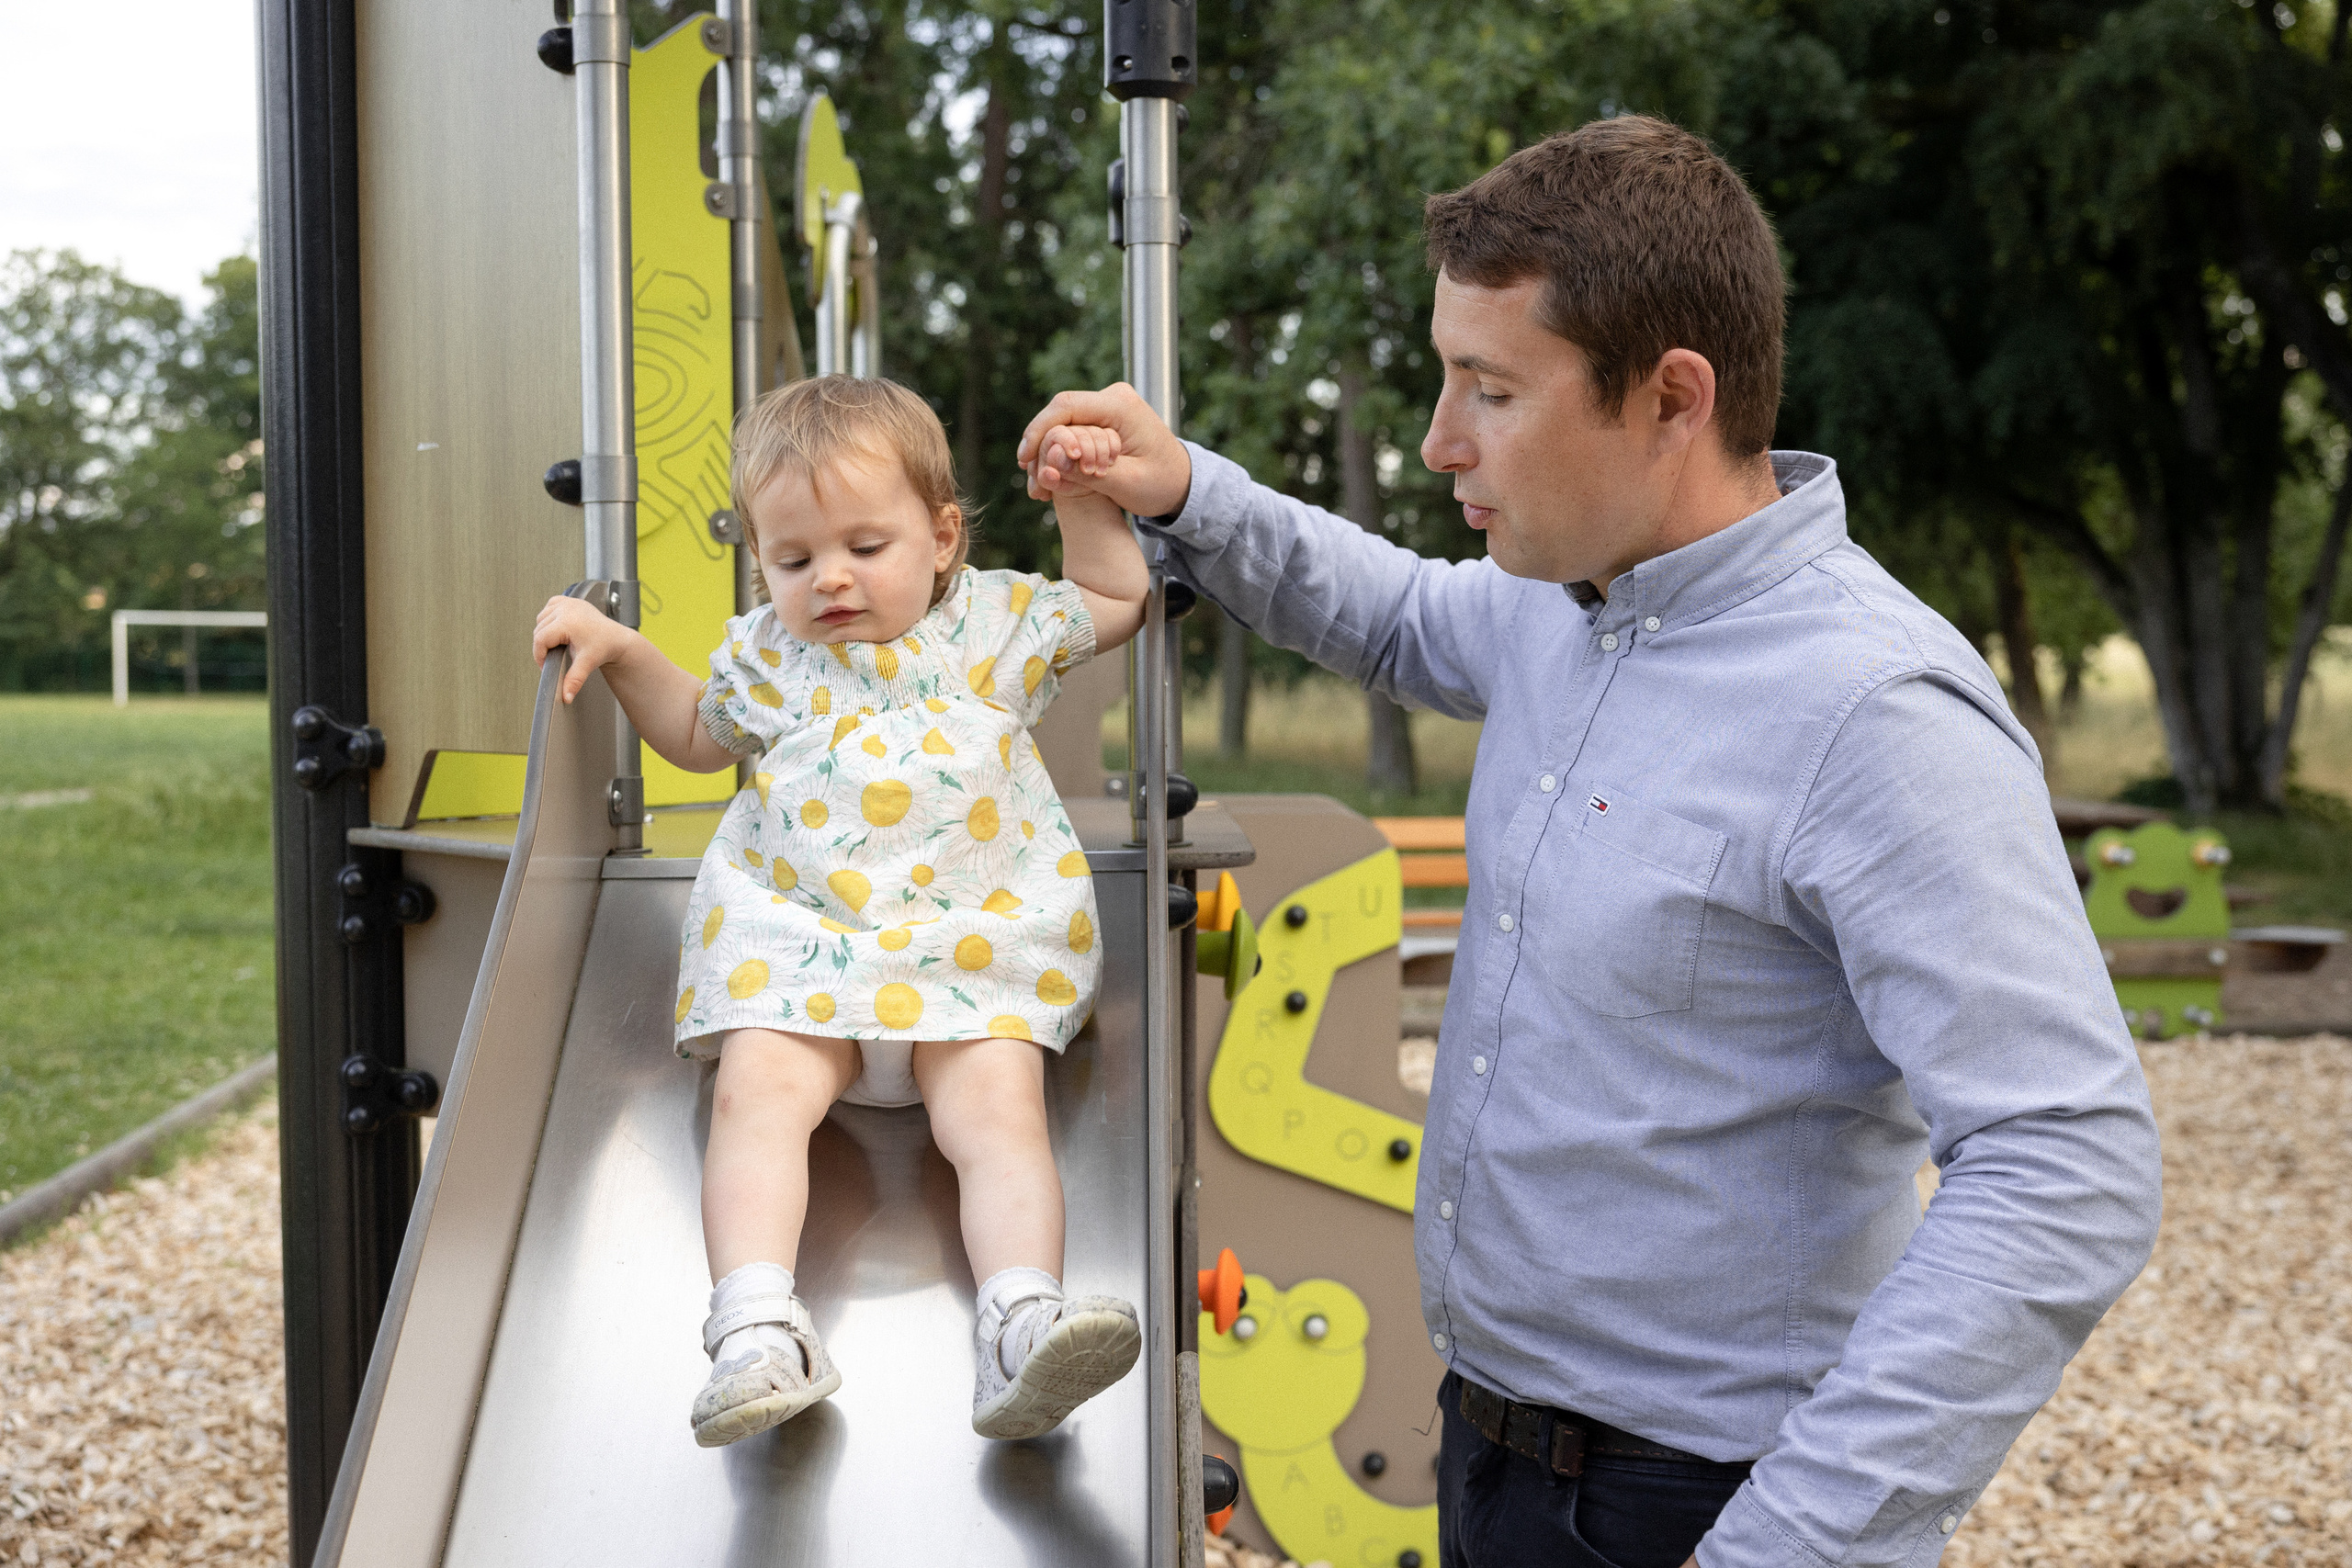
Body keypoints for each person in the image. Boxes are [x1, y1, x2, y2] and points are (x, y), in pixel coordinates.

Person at [1021, 117, 2163, 1568]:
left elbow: (2068, 1157)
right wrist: (1189, 490)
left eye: (1490, 389)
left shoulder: (1876, 713)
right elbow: (1393, 613)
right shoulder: (1574, 599)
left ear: (1673, 397)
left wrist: (1795, 1540)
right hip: (1492, 1444)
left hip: (1698, 1503)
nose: (1441, 440)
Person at [533, 374, 1148, 1448]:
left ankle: (1019, 1321)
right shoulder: (767, 657)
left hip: (971, 963)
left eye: (866, 547)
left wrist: (1082, 499)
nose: (830, 581)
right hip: (803, 961)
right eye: (794, 559)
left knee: (1000, 1115)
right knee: (753, 1097)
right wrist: (626, 651)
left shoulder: (994, 629)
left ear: (943, 536)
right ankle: (757, 1327)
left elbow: (1111, 600)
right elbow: (691, 731)